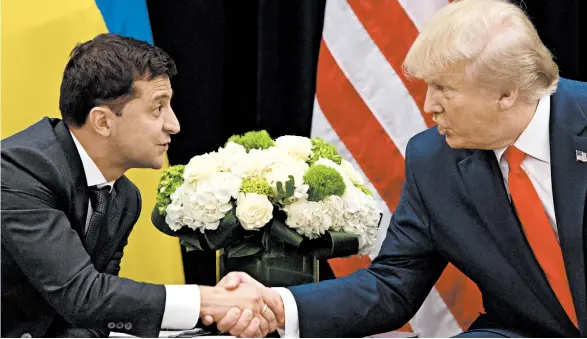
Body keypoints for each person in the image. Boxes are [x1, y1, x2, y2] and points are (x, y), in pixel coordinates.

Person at [212, 0, 587, 337]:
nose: (428, 106)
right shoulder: (433, 158)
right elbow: (393, 285)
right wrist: (281, 305)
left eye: (444, 89)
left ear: (506, 93)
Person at [1, 33, 283, 338]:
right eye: (157, 108)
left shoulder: (124, 197)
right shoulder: (18, 171)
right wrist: (207, 301)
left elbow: (97, 317)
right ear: (103, 122)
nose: (174, 125)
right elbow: (83, 294)